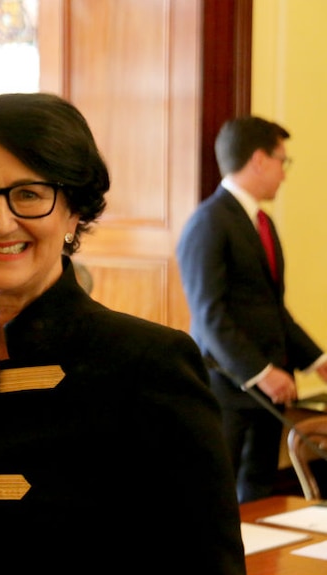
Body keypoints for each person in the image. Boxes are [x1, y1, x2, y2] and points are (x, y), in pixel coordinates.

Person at [0, 92, 245, 574]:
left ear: (74, 212)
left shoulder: (150, 364)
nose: (0, 221)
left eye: (29, 194)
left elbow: (207, 562)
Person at [177, 115, 327, 503]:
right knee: (221, 493)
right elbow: (210, 316)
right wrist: (261, 373)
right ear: (259, 160)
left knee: (259, 493)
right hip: (230, 387)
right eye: (283, 161)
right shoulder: (208, 222)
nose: (284, 174)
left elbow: (273, 309)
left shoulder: (262, 222)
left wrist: (316, 361)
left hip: (271, 389)